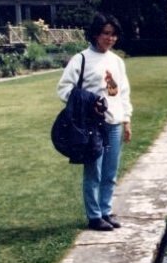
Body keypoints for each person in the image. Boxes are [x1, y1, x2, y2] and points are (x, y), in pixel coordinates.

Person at [57, 13, 133, 231]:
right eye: (106, 34)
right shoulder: (81, 59)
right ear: (96, 34)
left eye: (114, 35)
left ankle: (106, 210)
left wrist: (126, 120)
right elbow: (64, 89)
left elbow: (123, 93)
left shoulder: (117, 61)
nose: (110, 39)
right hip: (92, 126)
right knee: (94, 171)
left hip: (114, 123)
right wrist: (89, 103)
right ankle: (94, 215)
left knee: (110, 171)